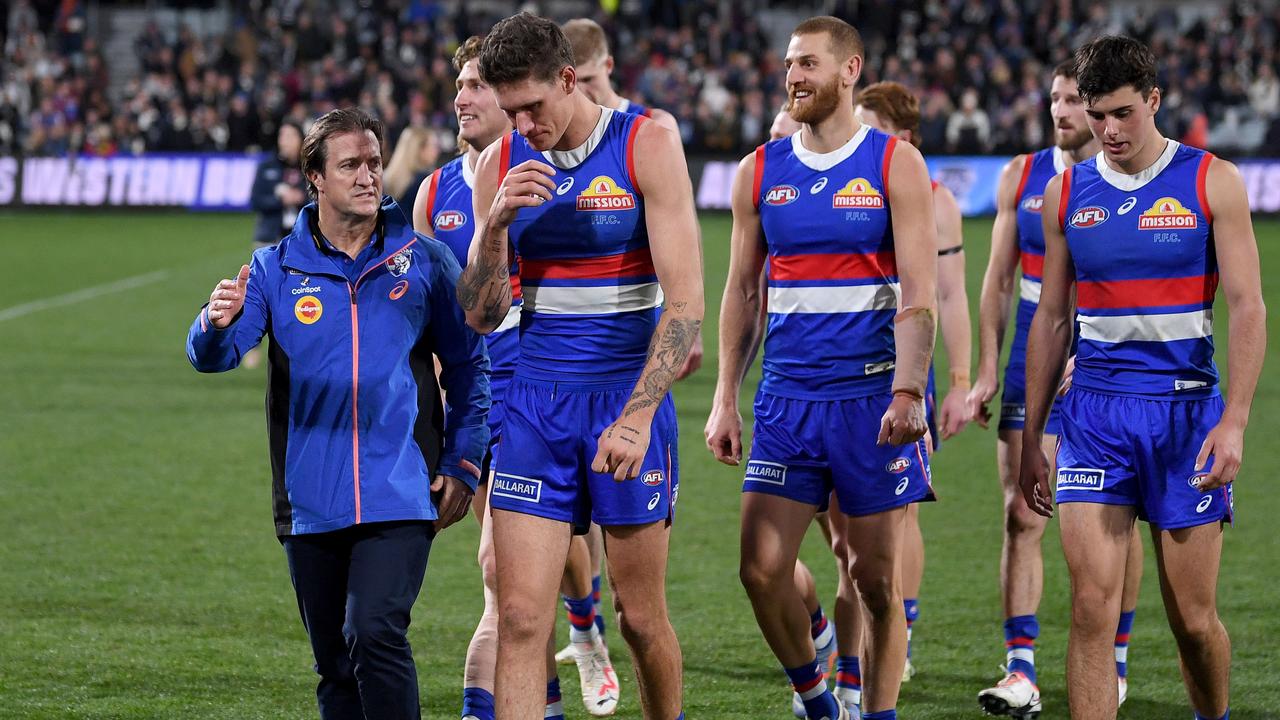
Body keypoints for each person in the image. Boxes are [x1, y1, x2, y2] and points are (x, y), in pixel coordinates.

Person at [186, 107, 491, 720]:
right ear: (315, 180)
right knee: (335, 665)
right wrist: (213, 324)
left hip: (401, 490)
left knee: (374, 632)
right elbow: (216, 356)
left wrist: (463, 462)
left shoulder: (426, 262)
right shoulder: (277, 268)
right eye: (350, 165)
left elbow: (469, 369)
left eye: (374, 163)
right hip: (310, 498)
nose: (368, 176)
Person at [458, 13, 703, 720]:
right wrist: (493, 227)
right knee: (521, 619)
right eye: (511, 112)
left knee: (640, 619)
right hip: (534, 406)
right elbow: (479, 315)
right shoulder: (499, 165)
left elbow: (684, 304)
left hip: (624, 402)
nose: (524, 124)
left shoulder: (645, 143)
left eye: (533, 106)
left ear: (570, 78)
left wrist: (637, 418)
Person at [1023, 36, 1265, 720]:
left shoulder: (1211, 180)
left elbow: (1248, 305)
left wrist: (1236, 420)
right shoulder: (1065, 192)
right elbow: (1049, 318)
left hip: (1186, 418)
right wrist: (1033, 432)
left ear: (1154, 100)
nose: (1108, 130)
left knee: (1193, 622)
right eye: (1097, 114)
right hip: (1094, 418)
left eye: (1123, 113)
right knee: (1091, 610)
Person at [706, 16, 938, 720]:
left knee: (874, 582)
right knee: (761, 569)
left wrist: (908, 389)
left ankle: (879, 713)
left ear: (849, 70)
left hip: (870, 404)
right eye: (788, 64)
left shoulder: (894, 164)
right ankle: (817, 701)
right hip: (787, 401)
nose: (794, 76)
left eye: (808, 62)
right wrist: (725, 397)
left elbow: (921, 294)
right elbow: (743, 290)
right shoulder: (760, 170)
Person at [412, 37, 587, 720]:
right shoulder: (434, 191)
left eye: (478, 85)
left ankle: (585, 628)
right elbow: (428, 314)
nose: (462, 97)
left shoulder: (551, 165)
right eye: (458, 84)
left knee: (509, 578)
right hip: (474, 402)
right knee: (507, 587)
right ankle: (536, 703)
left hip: (542, 391)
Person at [966, 59, 1146, 718]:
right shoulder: (1022, 175)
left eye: (1075, 100)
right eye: (1056, 99)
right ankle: (1021, 671)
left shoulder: (1128, 178)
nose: (1063, 111)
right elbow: (997, 281)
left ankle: (1115, 659)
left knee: (1112, 518)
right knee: (1021, 512)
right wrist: (987, 368)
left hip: (1105, 360)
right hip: (1034, 358)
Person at [554, 22, 701, 674]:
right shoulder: (535, 146)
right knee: (519, 582)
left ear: (604, 68)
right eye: (569, 84)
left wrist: (675, 334)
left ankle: (599, 630)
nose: (576, 99)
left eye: (588, 82)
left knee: (640, 610)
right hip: (551, 383)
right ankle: (581, 632)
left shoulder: (649, 133)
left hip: (630, 374)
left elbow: (682, 260)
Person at [855, 80, 973, 685]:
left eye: (869, 125)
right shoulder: (846, 190)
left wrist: (957, 379)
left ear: (900, 136)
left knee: (901, 514)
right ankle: (865, 634)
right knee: (845, 519)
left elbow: (950, 295)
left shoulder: (933, 198)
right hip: (844, 372)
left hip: (905, 370)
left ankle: (901, 635)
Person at [243, 120, 307, 369]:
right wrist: (279, 199)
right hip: (268, 238)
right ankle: (252, 344)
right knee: (259, 292)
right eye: (282, 135)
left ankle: (296, 346)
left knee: (297, 293)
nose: (285, 140)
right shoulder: (267, 166)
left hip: (299, 240)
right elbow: (255, 200)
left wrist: (299, 197)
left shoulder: (308, 167)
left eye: (290, 135)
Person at [385, 126, 442, 212]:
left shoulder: (386, 179)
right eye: (434, 146)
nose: (438, 150)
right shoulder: (426, 180)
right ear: (419, 149)